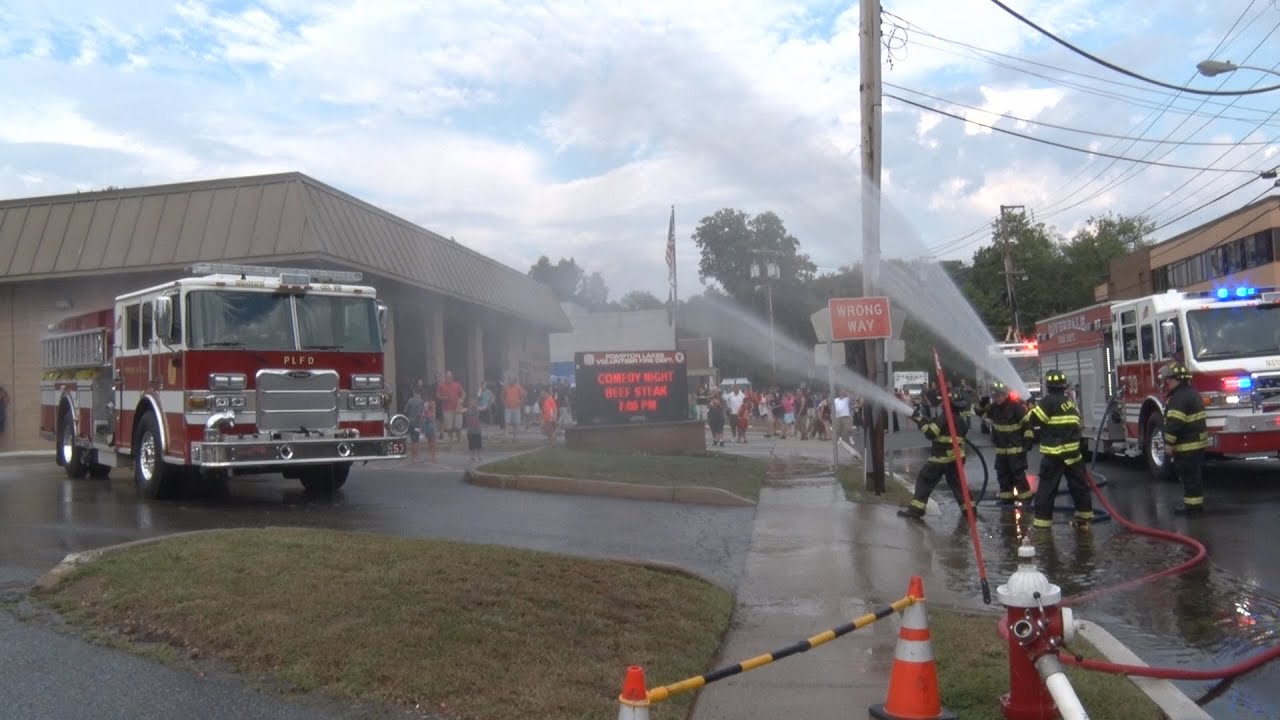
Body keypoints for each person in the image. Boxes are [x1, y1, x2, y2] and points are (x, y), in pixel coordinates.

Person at [1026, 370, 1094, 529]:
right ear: (1064, 386)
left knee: (1047, 489)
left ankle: (1042, 524)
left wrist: (1030, 407)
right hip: (1073, 455)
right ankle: (1084, 518)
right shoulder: (1070, 403)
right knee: (1079, 487)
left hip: (1054, 455)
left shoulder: (1047, 402)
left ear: (1048, 386)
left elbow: (1033, 419)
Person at [898, 392, 972, 520]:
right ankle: (970, 512)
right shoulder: (960, 420)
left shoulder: (945, 417)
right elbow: (940, 428)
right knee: (959, 486)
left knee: (924, 480)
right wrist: (923, 419)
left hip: (941, 458)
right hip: (956, 459)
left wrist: (919, 421)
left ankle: (915, 510)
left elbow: (931, 433)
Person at [975, 381, 1035, 506]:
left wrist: (1028, 440)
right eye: (995, 395)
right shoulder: (993, 408)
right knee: (1003, 477)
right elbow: (980, 413)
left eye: (1000, 395)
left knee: (1018, 476)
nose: (997, 398)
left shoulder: (1016, 407)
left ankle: (1025, 499)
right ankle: (1006, 500)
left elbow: (1027, 425)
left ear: (1006, 395)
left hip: (1016, 450)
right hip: (1001, 451)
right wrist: (981, 403)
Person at [1161, 363, 1208, 515]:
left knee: (1188, 478)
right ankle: (1195, 505)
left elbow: (1175, 423)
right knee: (1194, 477)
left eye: (1169, 379)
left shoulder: (1179, 398)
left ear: (1178, 379)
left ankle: (1192, 508)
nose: (1167, 382)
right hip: (1196, 444)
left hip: (1187, 446)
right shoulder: (1192, 393)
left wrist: (1168, 443)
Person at [464, 397, 483, 462]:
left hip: (477, 430)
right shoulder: (466, 409)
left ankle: (479, 456)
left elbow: (484, 408)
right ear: (469, 402)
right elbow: (458, 411)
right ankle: (472, 456)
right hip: (470, 430)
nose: (473, 403)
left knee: (478, 445)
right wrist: (459, 403)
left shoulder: (478, 408)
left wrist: (488, 402)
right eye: (472, 402)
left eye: (475, 402)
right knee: (471, 445)